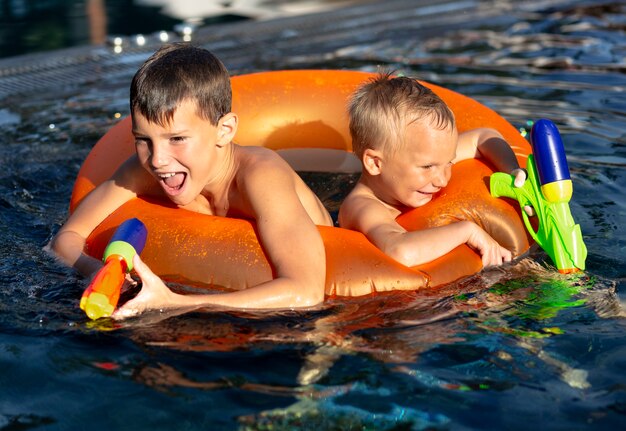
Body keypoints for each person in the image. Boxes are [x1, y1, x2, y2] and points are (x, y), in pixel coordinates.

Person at [50, 43, 332, 317]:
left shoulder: (261, 177)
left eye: (177, 139)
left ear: (225, 130)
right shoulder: (141, 171)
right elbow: (65, 239)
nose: (157, 160)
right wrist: (95, 271)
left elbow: (306, 292)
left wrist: (177, 303)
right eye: (143, 140)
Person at [338, 72, 527, 268]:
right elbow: (399, 251)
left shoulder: (429, 155)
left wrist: (512, 171)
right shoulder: (363, 206)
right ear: (375, 163)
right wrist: (467, 231)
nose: (442, 180)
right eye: (427, 167)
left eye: (449, 163)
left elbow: (484, 137)